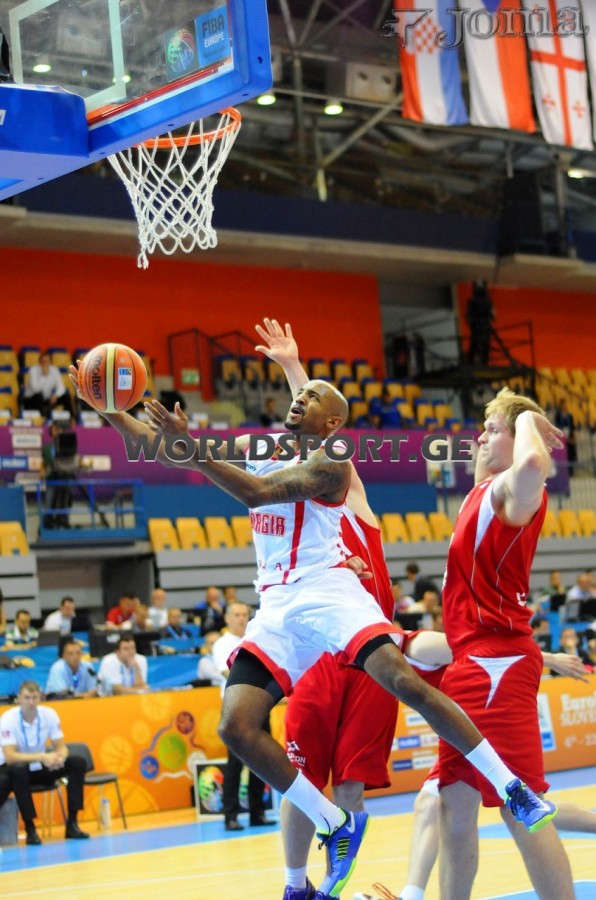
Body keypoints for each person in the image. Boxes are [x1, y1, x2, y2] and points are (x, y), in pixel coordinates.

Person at [71, 344, 558, 899]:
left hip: (327, 589)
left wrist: (192, 449)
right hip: (277, 604)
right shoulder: (258, 446)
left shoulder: (333, 462)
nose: (299, 398)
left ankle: (511, 786)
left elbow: (257, 492)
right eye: (298, 393)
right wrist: (109, 407)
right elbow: (160, 449)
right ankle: (333, 822)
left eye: (312, 396)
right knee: (235, 726)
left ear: (332, 423)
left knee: (401, 680)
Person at [254, 316, 450, 900]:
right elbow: (308, 434)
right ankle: (295, 884)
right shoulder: (302, 515)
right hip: (316, 651)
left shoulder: (349, 496)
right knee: (299, 775)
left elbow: (323, 431)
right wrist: (292, 368)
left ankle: (330, 890)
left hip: (369, 656)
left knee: (352, 786)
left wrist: (295, 368)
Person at [437, 387, 574, 900]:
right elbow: (489, 458)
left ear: (518, 441)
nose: (481, 438)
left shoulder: (514, 495)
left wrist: (529, 420)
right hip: (468, 662)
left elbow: (535, 461)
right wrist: (500, 417)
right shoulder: (480, 491)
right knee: (454, 802)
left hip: (495, 663)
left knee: (524, 808)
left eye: (493, 430)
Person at [353, 655, 591, 900]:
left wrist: (549, 659)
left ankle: (411, 895)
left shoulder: (398, 645)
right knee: (436, 803)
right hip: (463, 724)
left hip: (481, 716)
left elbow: (445, 647)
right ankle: (411, 895)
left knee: (519, 809)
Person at [0, 680, 89, 844]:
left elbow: (61, 747)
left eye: (34, 698)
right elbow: (10, 756)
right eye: (27, 698)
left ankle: (72, 823)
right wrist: (42, 757)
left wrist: (59, 757)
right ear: (19, 699)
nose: (31, 702)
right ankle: (30, 829)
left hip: (38, 766)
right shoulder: (8, 719)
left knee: (77, 762)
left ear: (40, 697)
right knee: (19, 769)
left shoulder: (49, 714)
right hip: (11, 769)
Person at [211, 602, 274, 832]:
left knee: (263, 759)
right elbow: (229, 673)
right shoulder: (222, 644)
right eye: (236, 615)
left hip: (260, 704)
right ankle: (231, 815)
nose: (241, 618)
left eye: (245, 614)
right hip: (236, 707)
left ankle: (258, 812)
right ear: (227, 618)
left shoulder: (255, 638)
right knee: (235, 763)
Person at [23, 351, 72, 419]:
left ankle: (72, 418)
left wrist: (56, 395)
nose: (45, 363)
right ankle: (42, 419)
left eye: (47, 361)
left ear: (50, 362)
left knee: (65, 397)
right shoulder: (33, 370)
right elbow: (36, 389)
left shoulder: (54, 370)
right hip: (31, 400)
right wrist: (43, 375)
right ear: (39, 362)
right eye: (43, 361)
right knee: (39, 396)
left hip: (46, 400)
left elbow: (61, 387)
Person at [465, 280, 494, 365]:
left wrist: (471, 323)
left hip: (477, 326)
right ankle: (484, 362)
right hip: (484, 326)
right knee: (484, 344)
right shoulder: (488, 301)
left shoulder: (472, 301)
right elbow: (492, 315)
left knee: (475, 344)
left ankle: (471, 361)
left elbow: (468, 315)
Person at [554, 399, 577, 477]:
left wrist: (573, 436)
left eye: (565, 404)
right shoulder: (558, 415)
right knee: (564, 453)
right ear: (560, 405)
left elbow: (572, 427)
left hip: (569, 435)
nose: (564, 406)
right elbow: (557, 426)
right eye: (563, 404)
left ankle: (571, 471)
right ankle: (564, 471)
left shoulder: (569, 415)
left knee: (571, 453)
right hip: (562, 435)